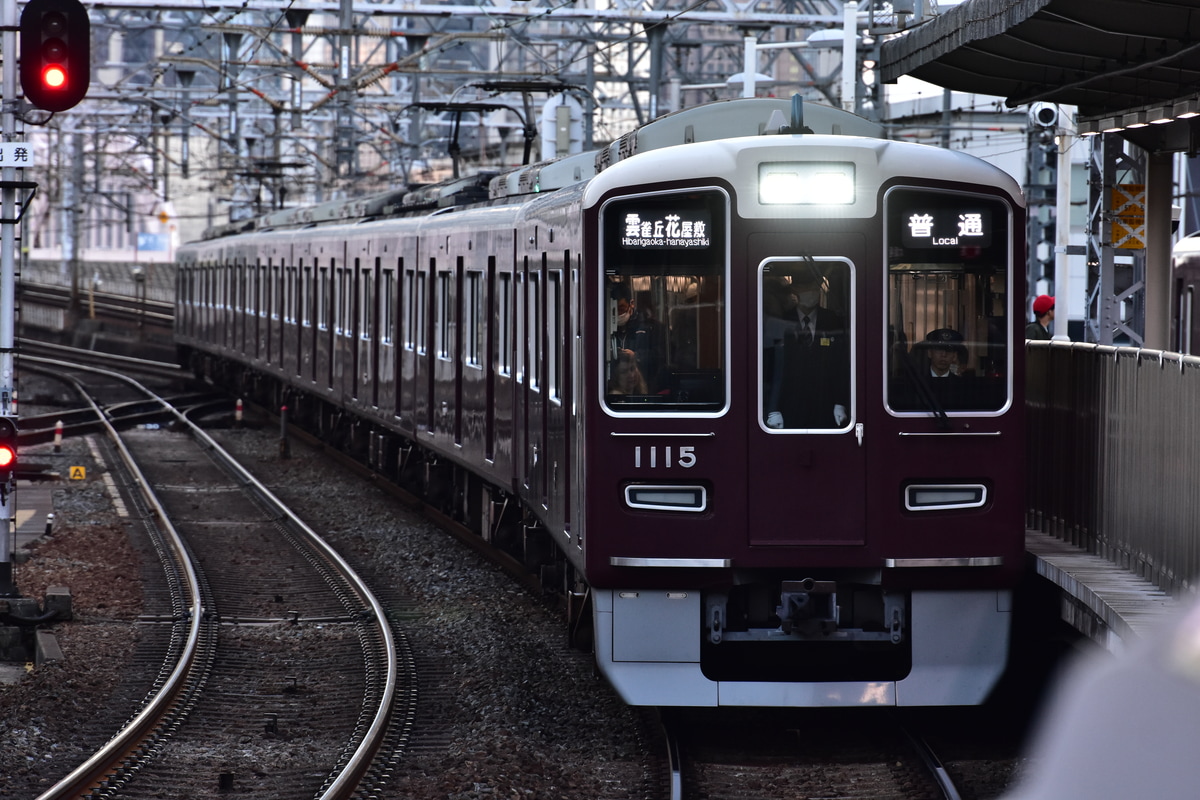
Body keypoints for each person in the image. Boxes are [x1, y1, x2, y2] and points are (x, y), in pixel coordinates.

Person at [764, 263, 849, 429]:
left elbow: (841, 363)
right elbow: (773, 366)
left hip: (825, 400)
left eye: (814, 287)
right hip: (790, 401)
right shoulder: (783, 319)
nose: (812, 292)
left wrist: (840, 402)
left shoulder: (833, 320)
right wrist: (773, 408)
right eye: (805, 287)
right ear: (795, 290)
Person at [610, 282, 664, 392]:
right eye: (613, 311)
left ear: (632, 304)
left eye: (621, 308)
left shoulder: (651, 328)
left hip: (647, 389)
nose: (617, 315)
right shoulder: (604, 330)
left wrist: (636, 356)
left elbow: (662, 356)